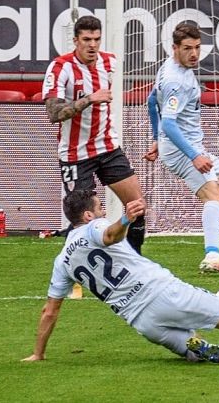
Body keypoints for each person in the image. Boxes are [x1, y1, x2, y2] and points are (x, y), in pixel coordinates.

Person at [21, 190, 219, 363]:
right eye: (100, 208)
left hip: (141, 321)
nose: (102, 212)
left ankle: (194, 344)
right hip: (164, 293)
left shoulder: (61, 261)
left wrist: (38, 354)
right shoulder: (95, 228)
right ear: (87, 216)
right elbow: (112, 235)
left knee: (192, 352)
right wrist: (126, 218)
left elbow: (50, 311)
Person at [144, 22, 219, 276]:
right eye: (187, 48)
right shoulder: (178, 81)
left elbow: (152, 100)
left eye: (197, 47)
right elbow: (169, 122)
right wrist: (194, 155)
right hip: (182, 148)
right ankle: (212, 255)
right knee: (213, 195)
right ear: (175, 48)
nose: (194, 54)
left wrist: (155, 139)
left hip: (184, 144)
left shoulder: (170, 67)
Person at [42, 16, 148, 300]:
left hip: (108, 148)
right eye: (86, 40)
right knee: (82, 220)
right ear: (75, 40)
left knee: (137, 206)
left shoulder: (110, 62)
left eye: (96, 39)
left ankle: (134, 267)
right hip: (76, 155)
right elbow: (53, 113)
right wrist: (88, 99)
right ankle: (75, 281)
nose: (92, 45)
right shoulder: (61, 67)